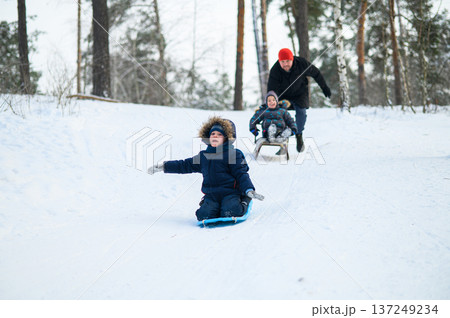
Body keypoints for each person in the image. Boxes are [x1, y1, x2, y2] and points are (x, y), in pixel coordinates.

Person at [147, 116, 264, 221]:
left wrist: (248, 190)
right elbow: (184, 165)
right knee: (203, 215)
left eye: (219, 135)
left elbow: (241, 174)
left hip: (231, 193)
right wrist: (164, 166)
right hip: (212, 195)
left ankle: (245, 200)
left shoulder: (233, 154)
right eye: (213, 134)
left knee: (231, 212)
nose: (215, 136)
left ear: (226, 138)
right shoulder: (203, 156)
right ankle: (213, 207)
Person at [267, 48, 331, 152]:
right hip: (283, 96)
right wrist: (271, 101)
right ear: (279, 61)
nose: (285, 64)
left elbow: (316, 73)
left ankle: (299, 134)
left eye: (288, 61)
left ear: (292, 59)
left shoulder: (302, 64)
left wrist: (324, 87)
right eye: (282, 62)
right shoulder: (275, 70)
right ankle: (283, 141)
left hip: (299, 93)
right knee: (279, 114)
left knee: (301, 112)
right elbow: (271, 89)